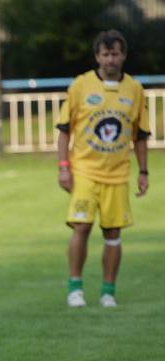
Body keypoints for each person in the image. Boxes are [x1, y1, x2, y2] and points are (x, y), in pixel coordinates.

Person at [57, 29, 149, 308]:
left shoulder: (135, 90)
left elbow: (141, 136)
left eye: (116, 53)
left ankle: (108, 291)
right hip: (84, 170)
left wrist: (143, 172)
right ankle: (76, 289)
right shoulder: (80, 86)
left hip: (118, 174)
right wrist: (63, 167)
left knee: (113, 234)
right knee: (81, 226)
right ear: (97, 56)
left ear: (123, 56)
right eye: (106, 54)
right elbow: (64, 131)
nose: (111, 59)